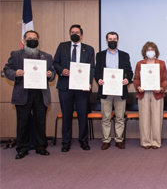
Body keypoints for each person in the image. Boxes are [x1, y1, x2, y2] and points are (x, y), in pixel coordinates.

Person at [4, 30, 56, 159]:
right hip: (23, 94)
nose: (32, 40)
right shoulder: (16, 55)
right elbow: (7, 69)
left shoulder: (47, 56)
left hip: (40, 94)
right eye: (29, 38)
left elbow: (53, 73)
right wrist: (15, 73)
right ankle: (22, 148)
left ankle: (40, 147)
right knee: (23, 122)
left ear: (38, 41)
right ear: (24, 41)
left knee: (40, 122)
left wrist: (50, 75)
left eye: (35, 38)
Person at [53, 24, 95, 152]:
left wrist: (88, 82)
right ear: (69, 34)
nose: (74, 34)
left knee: (83, 115)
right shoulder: (62, 46)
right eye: (72, 32)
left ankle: (83, 141)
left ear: (81, 35)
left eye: (77, 32)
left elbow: (92, 67)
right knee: (66, 115)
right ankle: (66, 142)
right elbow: (55, 63)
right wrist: (61, 71)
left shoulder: (89, 49)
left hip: (82, 87)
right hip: (65, 86)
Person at [95, 32, 133, 150]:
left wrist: (127, 79)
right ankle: (106, 140)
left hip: (120, 90)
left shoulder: (124, 55)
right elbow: (96, 72)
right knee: (105, 117)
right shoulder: (100, 55)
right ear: (106, 40)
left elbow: (130, 72)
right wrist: (99, 80)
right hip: (105, 90)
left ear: (118, 40)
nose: (112, 41)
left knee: (120, 117)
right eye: (110, 39)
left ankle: (119, 140)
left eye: (114, 39)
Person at [133, 41, 167, 149]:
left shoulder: (161, 63)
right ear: (144, 52)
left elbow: (165, 80)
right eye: (148, 50)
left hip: (157, 94)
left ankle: (156, 142)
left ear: (156, 51)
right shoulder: (140, 64)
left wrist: (161, 88)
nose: (150, 52)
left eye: (152, 50)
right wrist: (138, 87)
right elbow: (136, 79)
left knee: (157, 119)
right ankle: (146, 142)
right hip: (143, 94)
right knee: (144, 119)